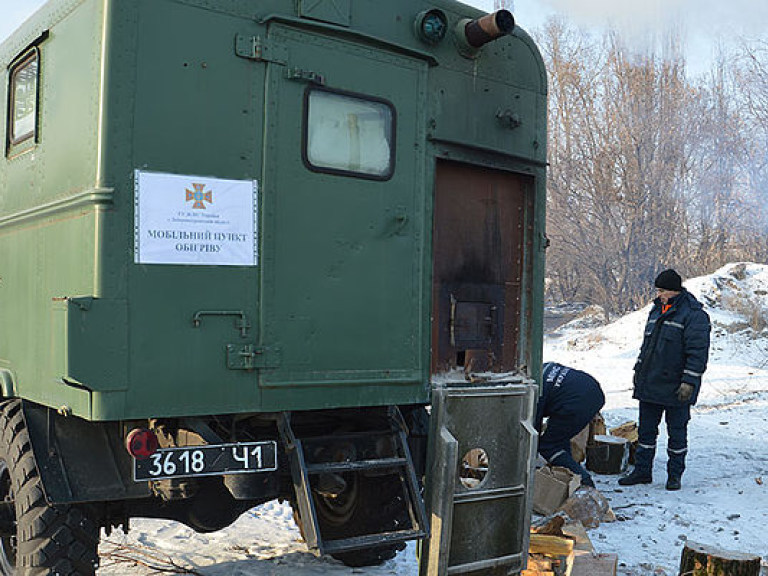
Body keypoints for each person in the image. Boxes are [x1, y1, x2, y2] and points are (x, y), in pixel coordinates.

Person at [619, 269, 711, 491]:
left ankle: (674, 475)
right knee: (646, 432)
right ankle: (642, 471)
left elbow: (698, 353)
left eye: (662, 291)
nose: (659, 294)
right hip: (650, 383)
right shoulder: (656, 310)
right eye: (657, 290)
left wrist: (688, 382)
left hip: (677, 387)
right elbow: (648, 347)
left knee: (677, 433)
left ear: (675, 290)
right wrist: (639, 373)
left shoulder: (694, 315)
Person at [536, 362, 605, 488]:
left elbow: (532, 432)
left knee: (548, 446)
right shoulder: (542, 367)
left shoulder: (532, 393)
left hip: (575, 402)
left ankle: (584, 482)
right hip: (591, 388)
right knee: (559, 438)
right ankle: (567, 479)